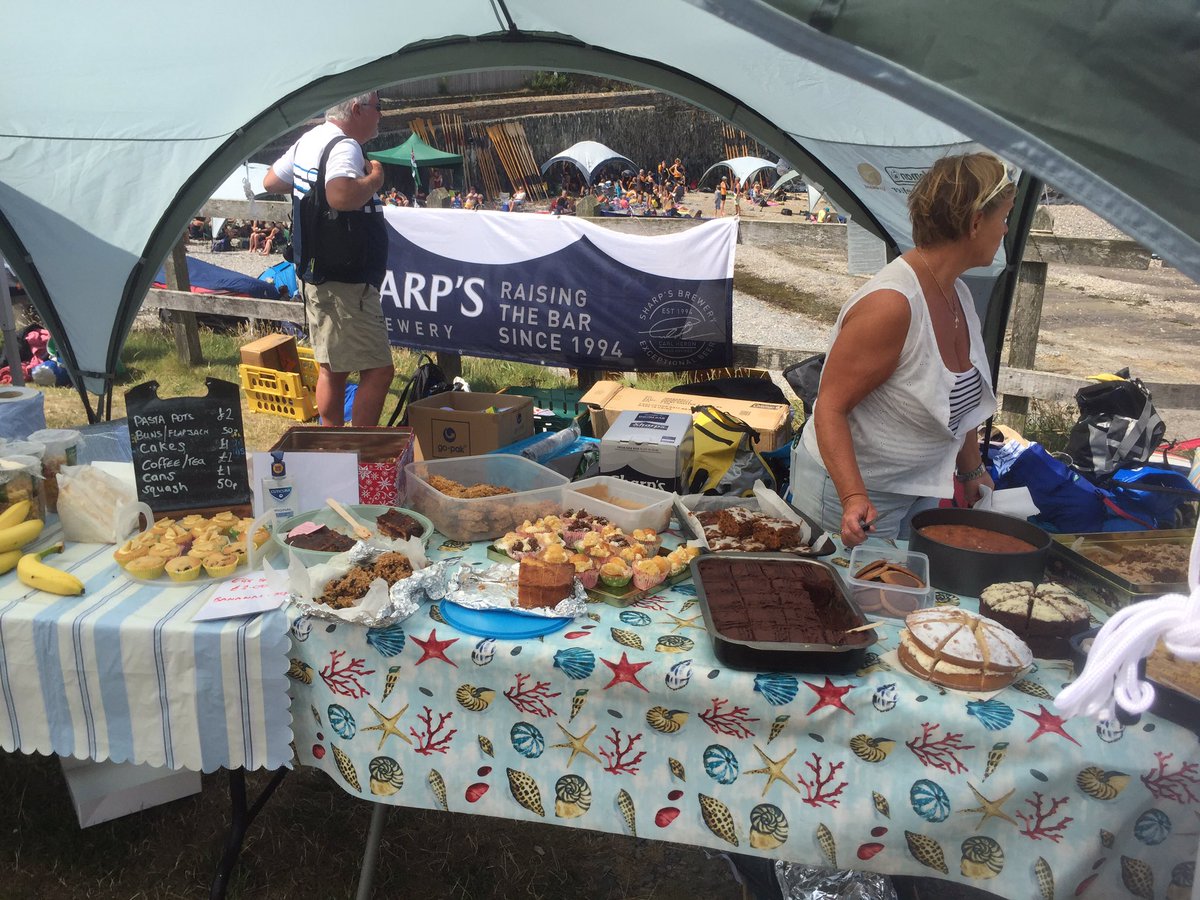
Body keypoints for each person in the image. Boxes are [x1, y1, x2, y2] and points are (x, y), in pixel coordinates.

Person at [790, 152, 1014, 547]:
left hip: (919, 486)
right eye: (1003, 218)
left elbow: (955, 406)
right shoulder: (892, 305)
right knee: (840, 601)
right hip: (854, 496)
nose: (1007, 229)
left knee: (896, 598)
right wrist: (853, 495)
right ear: (976, 222)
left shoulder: (958, 293)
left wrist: (971, 471)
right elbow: (829, 406)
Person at [263, 90, 394, 428]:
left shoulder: (310, 139)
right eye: (378, 108)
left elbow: (272, 180)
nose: (380, 115)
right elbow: (340, 195)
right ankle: (359, 454)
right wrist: (375, 178)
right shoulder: (345, 145)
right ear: (357, 108)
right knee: (379, 370)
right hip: (346, 278)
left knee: (332, 367)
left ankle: (332, 443)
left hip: (315, 271)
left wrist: (310, 193)